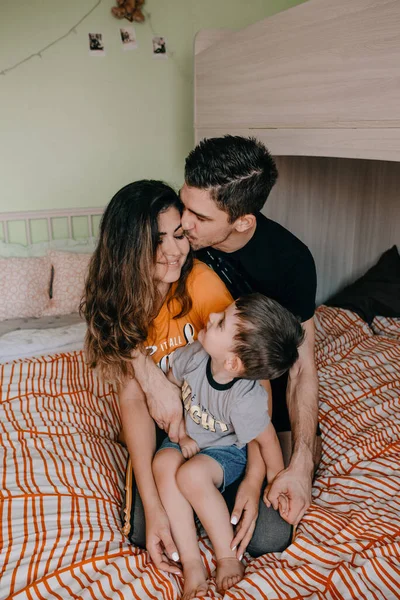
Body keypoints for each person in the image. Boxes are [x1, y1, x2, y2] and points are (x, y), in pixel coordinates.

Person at [144, 135, 320, 558]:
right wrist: (150, 376)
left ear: (241, 221)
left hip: (251, 410)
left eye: (199, 216)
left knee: (268, 538)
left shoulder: (291, 262)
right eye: (185, 204)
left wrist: (297, 464)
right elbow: (118, 310)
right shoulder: (176, 243)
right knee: (144, 529)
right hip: (194, 403)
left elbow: (301, 367)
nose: (183, 224)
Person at [81, 180, 233, 574]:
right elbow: (133, 399)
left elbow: (244, 372)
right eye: (156, 239)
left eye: (179, 234)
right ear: (127, 250)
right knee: (144, 531)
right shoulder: (119, 302)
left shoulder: (202, 285)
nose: (173, 250)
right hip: (163, 438)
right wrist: (152, 504)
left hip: (215, 431)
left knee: (268, 535)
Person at [152, 293, 304, 598]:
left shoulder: (245, 399)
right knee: (162, 464)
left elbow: (267, 439)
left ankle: (227, 557)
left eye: (220, 323)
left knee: (191, 476)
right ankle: (193, 563)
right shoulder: (195, 355)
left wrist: (275, 478)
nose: (210, 318)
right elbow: (168, 386)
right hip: (186, 437)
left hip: (225, 452)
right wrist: (178, 429)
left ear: (233, 362)